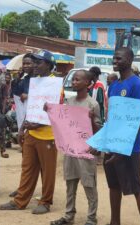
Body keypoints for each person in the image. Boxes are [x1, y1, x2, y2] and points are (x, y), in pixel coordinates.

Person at [91, 47, 140, 225]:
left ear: (130, 60)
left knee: (136, 188)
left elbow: (137, 120)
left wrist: (123, 148)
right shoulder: (114, 85)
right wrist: (101, 143)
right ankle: (114, 221)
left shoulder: (137, 85)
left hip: (128, 147)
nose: (115, 61)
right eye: (114, 58)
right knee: (113, 185)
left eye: (119, 58)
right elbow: (113, 119)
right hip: (112, 144)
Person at [0, 50, 58, 214]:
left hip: (47, 135)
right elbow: (31, 107)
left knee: (47, 171)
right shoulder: (35, 82)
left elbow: (52, 112)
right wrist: (23, 127)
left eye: (39, 62)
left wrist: (35, 124)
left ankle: (45, 201)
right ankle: (20, 200)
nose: (35, 65)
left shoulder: (55, 84)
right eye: (35, 62)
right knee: (27, 168)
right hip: (31, 132)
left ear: (48, 65)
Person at [50, 70, 102, 225]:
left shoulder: (93, 104)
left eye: (77, 80)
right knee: (70, 184)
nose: (73, 82)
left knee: (89, 185)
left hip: (85, 151)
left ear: (87, 83)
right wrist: (50, 112)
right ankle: (68, 216)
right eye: (73, 80)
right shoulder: (70, 102)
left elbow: (98, 131)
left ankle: (91, 218)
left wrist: (92, 120)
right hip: (71, 150)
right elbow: (64, 124)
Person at [8, 53, 35, 198]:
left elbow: (42, 98)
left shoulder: (38, 80)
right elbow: (16, 94)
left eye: (29, 63)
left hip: (34, 125)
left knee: (33, 162)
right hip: (23, 123)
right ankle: (23, 189)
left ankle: (33, 191)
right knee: (26, 161)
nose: (26, 66)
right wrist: (17, 78)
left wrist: (29, 96)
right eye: (24, 63)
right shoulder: (24, 80)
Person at [0, 72, 11, 158]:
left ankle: (2, 151)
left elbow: (4, 98)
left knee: (1, 132)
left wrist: (3, 110)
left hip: (0, 110)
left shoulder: (2, 85)